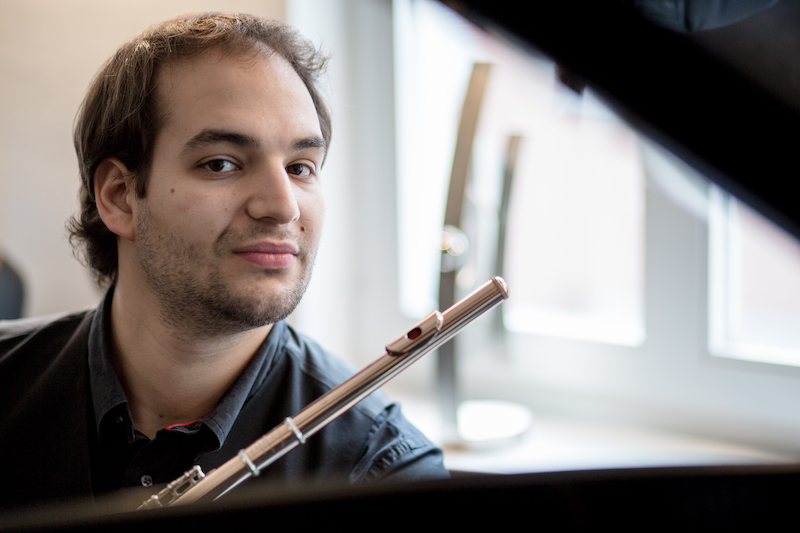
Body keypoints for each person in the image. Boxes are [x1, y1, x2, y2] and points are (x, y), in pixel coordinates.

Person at [0, 12, 447, 511]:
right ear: (121, 196)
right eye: (222, 163)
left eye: (301, 167)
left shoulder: (383, 467)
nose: (283, 206)